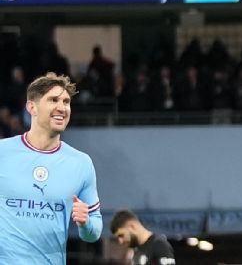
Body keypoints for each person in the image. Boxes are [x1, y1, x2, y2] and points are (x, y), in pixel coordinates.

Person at [0, 73, 103, 263]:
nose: (62, 107)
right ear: (32, 107)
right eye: (53, 100)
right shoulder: (3, 153)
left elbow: (94, 231)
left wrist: (85, 223)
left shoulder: (81, 163)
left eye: (66, 102)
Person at [110, 209, 176, 264]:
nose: (120, 241)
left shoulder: (159, 244)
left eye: (121, 235)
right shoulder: (137, 250)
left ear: (132, 226)